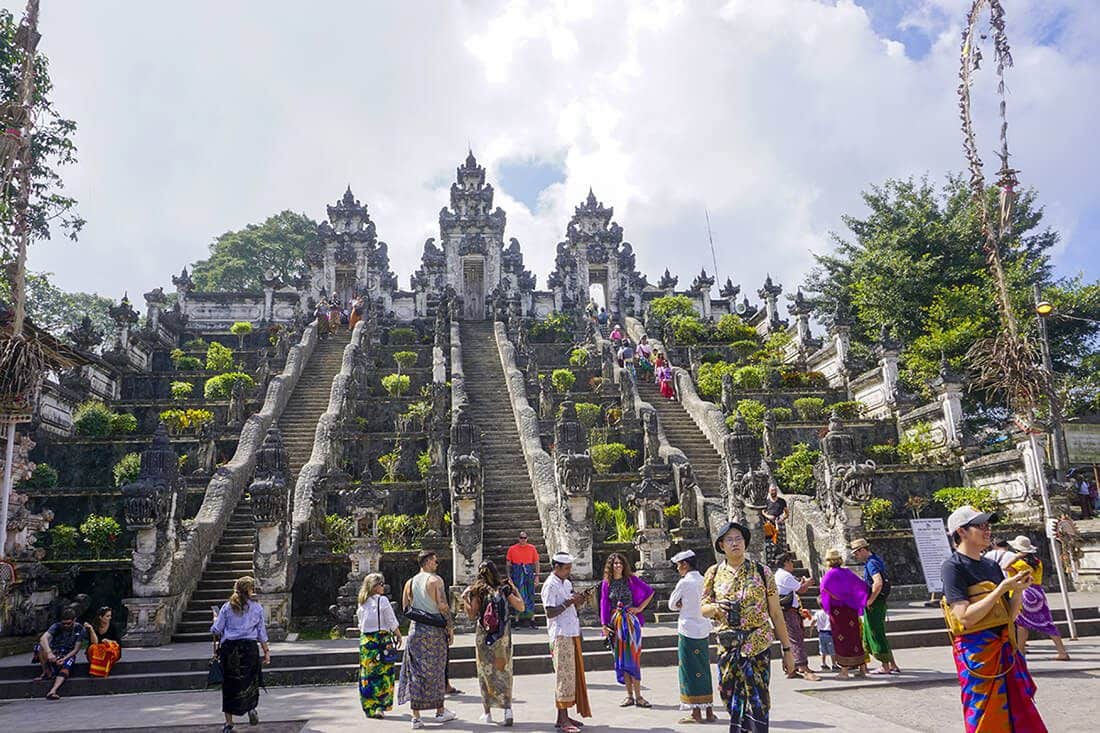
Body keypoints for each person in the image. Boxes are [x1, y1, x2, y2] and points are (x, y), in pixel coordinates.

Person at [940, 505, 1046, 732]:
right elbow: (964, 617)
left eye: (988, 525)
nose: (987, 530)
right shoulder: (953, 567)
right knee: (985, 714)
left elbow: (1009, 614)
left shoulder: (990, 565)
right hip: (978, 651)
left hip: (1004, 645)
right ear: (962, 531)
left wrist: (1017, 590)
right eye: (980, 526)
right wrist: (999, 590)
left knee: (1017, 711)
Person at [701, 521, 795, 732]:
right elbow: (703, 608)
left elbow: (776, 613)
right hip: (729, 646)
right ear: (721, 545)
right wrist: (716, 607)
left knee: (758, 702)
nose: (735, 543)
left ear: (745, 543)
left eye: (739, 539)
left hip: (758, 644)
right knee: (728, 695)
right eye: (730, 540)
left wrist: (788, 650)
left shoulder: (762, 572)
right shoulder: (713, 573)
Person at [462, 560, 526, 726]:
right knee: (504, 671)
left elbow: (472, 614)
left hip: (484, 637)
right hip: (502, 637)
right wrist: (516, 589)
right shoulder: (504, 589)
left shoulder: (478, 590)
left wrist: (465, 599)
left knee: (485, 672)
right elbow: (521, 607)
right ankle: (507, 710)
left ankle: (487, 712)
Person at [399, 550, 458, 729]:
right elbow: (442, 605)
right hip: (434, 631)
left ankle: (416, 716)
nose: (436, 564)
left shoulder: (410, 582)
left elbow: (405, 607)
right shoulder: (435, 581)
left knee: (415, 672)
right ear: (426, 562)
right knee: (437, 670)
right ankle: (440, 710)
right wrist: (450, 627)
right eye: (434, 561)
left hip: (416, 630)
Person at [210, 576, 270, 732]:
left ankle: (229, 724)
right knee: (250, 681)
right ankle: (251, 708)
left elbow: (216, 629)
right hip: (249, 649)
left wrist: (215, 619)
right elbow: (261, 633)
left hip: (230, 650)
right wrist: (266, 652)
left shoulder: (226, 607)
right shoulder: (257, 608)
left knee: (229, 685)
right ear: (250, 591)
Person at [541, 552, 592, 733]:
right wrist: (568, 602)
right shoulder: (550, 585)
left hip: (571, 631)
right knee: (563, 677)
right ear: (557, 567)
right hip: (560, 634)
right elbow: (549, 612)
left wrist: (579, 600)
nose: (569, 571)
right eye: (566, 568)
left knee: (571, 676)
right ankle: (563, 719)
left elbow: (570, 603)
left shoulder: (567, 583)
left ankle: (562, 715)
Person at [598, 552, 655, 707]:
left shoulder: (631, 580)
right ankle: (629, 696)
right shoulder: (606, 583)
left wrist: (639, 608)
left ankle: (639, 696)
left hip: (631, 624)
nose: (618, 566)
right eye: (615, 563)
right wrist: (604, 624)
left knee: (633, 659)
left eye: (620, 563)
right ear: (610, 566)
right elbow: (603, 603)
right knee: (621, 660)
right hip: (615, 624)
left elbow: (650, 591)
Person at [1003, 536, 1070, 661]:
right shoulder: (1037, 562)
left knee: (1022, 623)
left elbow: (1004, 567)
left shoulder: (1019, 563)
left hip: (1024, 593)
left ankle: (1021, 651)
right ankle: (1061, 651)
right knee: (1046, 622)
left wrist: (1016, 557)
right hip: (1038, 593)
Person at [668, 549, 716, 724]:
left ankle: (695, 712)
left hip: (688, 629)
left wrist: (682, 604)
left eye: (679, 565)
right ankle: (709, 710)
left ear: (685, 565)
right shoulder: (704, 580)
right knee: (703, 667)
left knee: (689, 670)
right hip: (703, 628)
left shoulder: (684, 582)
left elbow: (672, 604)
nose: (678, 569)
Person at [850, 538, 900, 674]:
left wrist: (870, 600)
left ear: (862, 550)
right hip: (879, 602)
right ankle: (892, 664)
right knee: (879, 633)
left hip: (875, 604)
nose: (855, 556)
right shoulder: (876, 560)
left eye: (856, 553)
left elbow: (878, 583)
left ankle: (885, 665)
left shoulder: (872, 564)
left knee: (875, 633)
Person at [356, 572, 402, 719]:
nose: (383, 587)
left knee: (367, 674)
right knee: (383, 673)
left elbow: (360, 622)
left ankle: (369, 705)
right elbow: (390, 619)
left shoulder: (362, 601)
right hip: (381, 639)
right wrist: (398, 634)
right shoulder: (382, 601)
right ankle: (380, 706)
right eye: (381, 584)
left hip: (365, 641)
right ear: (374, 586)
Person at [818, 549, 868, 679]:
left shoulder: (829, 575)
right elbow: (861, 585)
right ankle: (862, 668)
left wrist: (838, 597)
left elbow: (824, 590)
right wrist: (850, 598)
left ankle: (844, 671)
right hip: (850, 610)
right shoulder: (847, 572)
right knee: (855, 637)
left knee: (841, 638)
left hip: (838, 612)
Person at [773, 553, 818, 681]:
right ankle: (802, 666)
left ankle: (792, 667)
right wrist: (808, 583)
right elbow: (801, 589)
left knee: (790, 638)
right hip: (788, 611)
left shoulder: (780, 575)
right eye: (790, 562)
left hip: (786, 610)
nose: (792, 564)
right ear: (786, 563)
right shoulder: (785, 576)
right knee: (795, 637)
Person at [32, 607, 85, 700]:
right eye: (64, 623)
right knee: (39, 646)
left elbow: (76, 649)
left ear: (74, 620)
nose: (66, 626)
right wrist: (49, 653)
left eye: (68, 623)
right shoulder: (56, 626)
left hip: (68, 653)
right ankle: (46, 672)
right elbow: (43, 638)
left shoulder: (79, 629)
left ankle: (53, 690)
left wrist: (64, 658)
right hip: (54, 650)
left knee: (66, 667)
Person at [505, 531, 540, 629]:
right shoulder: (512, 549)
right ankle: (517, 620)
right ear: (518, 538)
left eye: (524, 538)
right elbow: (508, 564)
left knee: (530, 595)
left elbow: (536, 562)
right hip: (517, 572)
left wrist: (537, 576)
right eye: (521, 537)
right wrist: (509, 577)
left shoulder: (532, 548)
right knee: (518, 595)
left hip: (528, 573)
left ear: (527, 538)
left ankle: (531, 620)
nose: (523, 540)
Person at [84, 606, 122, 678]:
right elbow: (94, 642)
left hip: (109, 649)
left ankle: (101, 671)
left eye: (110, 616)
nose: (110, 618)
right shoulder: (94, 626)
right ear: (100, 617)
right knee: (94, 648)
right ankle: (96, 670)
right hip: (97, 650)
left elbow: (118, 643)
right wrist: (91, 629)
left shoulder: (113, 627)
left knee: (107, 649)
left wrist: (109, 641)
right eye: (107, 616)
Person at [761, 486, 788, 567]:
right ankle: (770, 561)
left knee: (782, 543)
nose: (774, 492)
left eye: (775, 490)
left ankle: (783, 561)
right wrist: (768, 516)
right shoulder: (766, 502)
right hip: (769, 525)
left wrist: (782, 518)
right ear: (769, 491)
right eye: (772, 490)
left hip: (779, 524)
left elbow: (787, 513)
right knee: (770, 544)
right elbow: (762, 512)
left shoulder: (782, 501)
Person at [809, 607, 836, 672]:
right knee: (832, 650)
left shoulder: (818, 613)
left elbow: (813, 621)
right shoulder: (831, 612)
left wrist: (811, 629)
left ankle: (823, 663)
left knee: (822, 649)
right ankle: (834, 664)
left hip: (821, 633)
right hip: (829, 633)